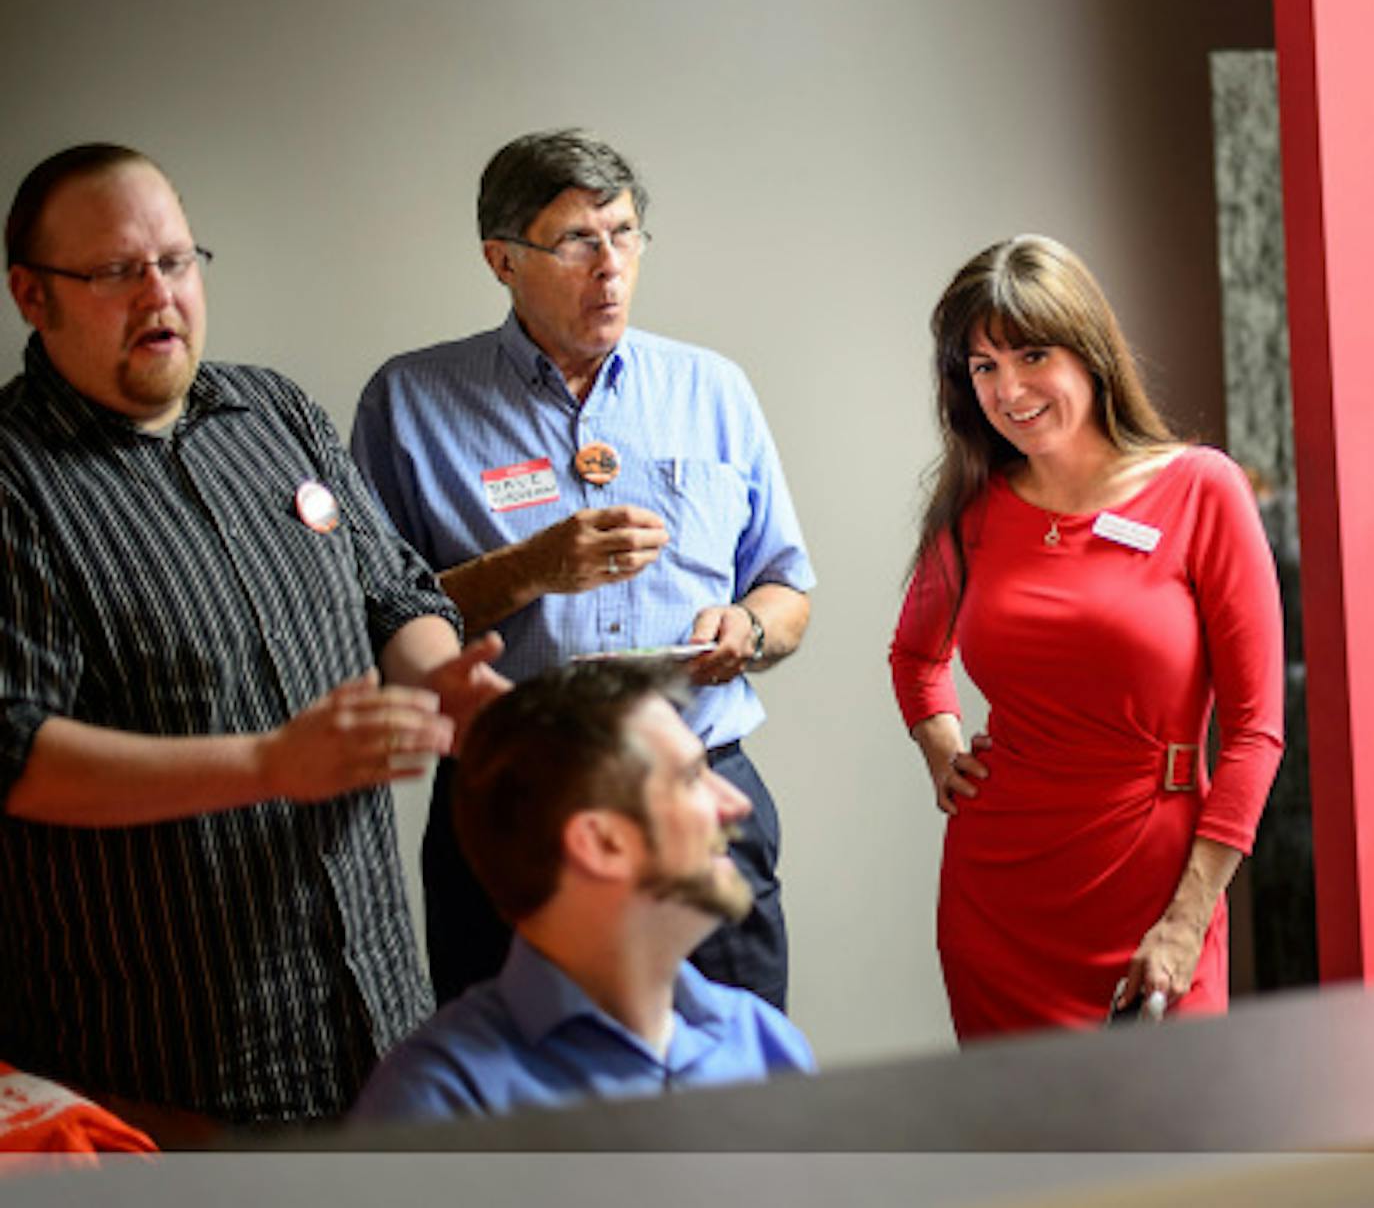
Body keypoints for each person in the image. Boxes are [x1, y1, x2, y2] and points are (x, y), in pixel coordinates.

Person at [0, 144, 506, 1129]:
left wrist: (446, 684)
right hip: (171, 1074)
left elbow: (394, 594)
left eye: (178, 260)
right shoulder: (14, 481)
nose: (160, 292)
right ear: (33, 295)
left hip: (380, 1031)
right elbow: (13, 754)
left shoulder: (274, 410)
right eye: (115, 271)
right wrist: (269, 764)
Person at [352, 130, 814, 1012]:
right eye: (575, 240)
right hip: (515, 796)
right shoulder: (408, 402)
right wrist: (531, 568)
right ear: (502, 259)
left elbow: (787, 591)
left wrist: (748, 629)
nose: (610, 267)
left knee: (738, 1095)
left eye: (625, 234)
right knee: (522, 1106)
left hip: (700, 786)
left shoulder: (713, 389)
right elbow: (369, 620)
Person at [888, 235, 1284, 1039]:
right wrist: (941, 747)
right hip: (999, 897)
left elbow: (1255, 733)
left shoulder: (1202, 488)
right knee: (1027, 1152)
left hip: (1156, 884)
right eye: (984, 366)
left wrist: (1188, 918)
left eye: (1033, 354)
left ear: (1092, 353)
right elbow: (914, 655)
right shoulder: (971, 511)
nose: (1010, 388)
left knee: (1179, 1148)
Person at [352, 661, 813, 1122]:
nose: (737, 803)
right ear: (598, 842)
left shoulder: (763, 1041)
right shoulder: (441, 1101)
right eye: (692, 776)